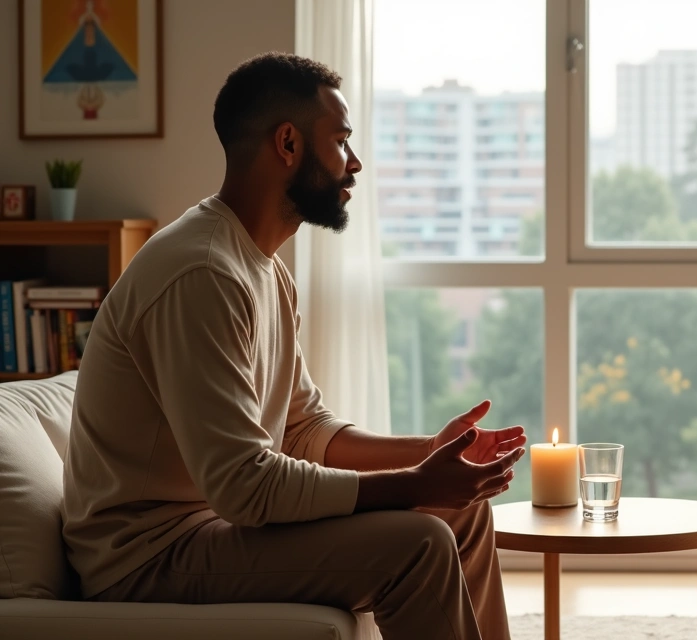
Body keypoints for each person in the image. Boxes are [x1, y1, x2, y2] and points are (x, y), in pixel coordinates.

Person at [61, 52, 526, 640]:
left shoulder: (261, 267)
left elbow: (303, 431)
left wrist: (428, 451)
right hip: (146, 556)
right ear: (288, 144)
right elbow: (244, 486)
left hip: (204, 530)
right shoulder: (202, 273)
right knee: (420, 542)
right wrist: (414, 483)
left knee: (463, 511)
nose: (354, 164)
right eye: (341, 142)